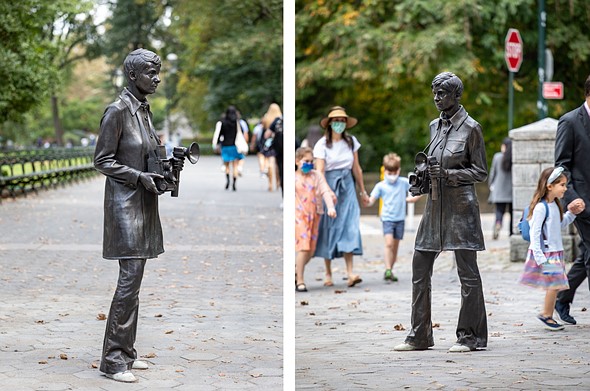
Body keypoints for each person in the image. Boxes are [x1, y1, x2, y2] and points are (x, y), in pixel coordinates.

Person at [94, 49, 184, 383]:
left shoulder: (143, 111)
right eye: (151, 72)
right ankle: (113, 360)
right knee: (129, 281)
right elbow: (102, 160)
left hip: (144, 205)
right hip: (124, 207)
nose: (157, 78)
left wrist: (163, 172)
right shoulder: (117, 111)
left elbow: (146, 154)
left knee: (135, 283)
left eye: (158, 72)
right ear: (133, 76)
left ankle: (126, 352)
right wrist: (138, 177)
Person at [394, 72, 488, 353]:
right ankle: (419, 335)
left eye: (442, 93)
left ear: (456, 96)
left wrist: (448, 174)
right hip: (434, 207)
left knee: (467, 273)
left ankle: (471, 336)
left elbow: (480, 172)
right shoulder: (434, 126)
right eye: (434, 93)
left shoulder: (472, 128)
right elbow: (432, 164)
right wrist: (422, 178)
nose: (436, 98)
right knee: (420, 266)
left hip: (461, 208)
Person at [518, 167, 581, 330]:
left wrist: (571, 213)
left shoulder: (555, 205)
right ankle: (546, 315)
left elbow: (559, 225)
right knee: (554, 284)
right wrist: (539, 256)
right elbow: (535, 232)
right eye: (562, 185)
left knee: (555, 284)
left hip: (556, 252)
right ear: (549, 186)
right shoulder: (541, 208)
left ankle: (547, 314)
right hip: (547, 254)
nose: (565, 189)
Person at [313, 106, 369, 288]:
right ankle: (328, 272)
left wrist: (362, 191)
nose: (340, 124)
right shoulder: (321, 144)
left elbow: (357, 168)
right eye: (336, 121)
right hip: (329, 185)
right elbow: (319, 172)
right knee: (329, 225)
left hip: (348, 185)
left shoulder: (351, 142)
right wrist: (326, 191)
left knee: (350, 225)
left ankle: (350, 272)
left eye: (343, 121)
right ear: (329, 124)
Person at [554, 75, 590, 325]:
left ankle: (562, 298)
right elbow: (561, 167)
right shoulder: (569, 122)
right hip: (584, 203)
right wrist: (573, 199)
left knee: (586, 253)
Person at [364, 153, 421, 282]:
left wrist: (413, 198)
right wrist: (366, 200)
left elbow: (417, 190)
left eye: (394, 172)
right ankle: (388, 268)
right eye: (389, 172)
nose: (392, 175)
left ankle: (390, 269)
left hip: (400, 219)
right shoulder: (381, 186)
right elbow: (371, 199)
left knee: (395, 247)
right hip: (387, 219)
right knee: (389, 244)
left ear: (398, 170)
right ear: (385, 171)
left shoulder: (403, 182)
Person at [295, 147, 337, 292]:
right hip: (299, 217)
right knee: (304, 247)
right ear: (297, 161)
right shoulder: (293, 177)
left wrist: (330, 207)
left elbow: (325, 190)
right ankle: (300, 280)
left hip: (315, 216)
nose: (309, 164)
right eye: (306, 161)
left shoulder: (316, 175)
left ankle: (296, 270)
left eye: (311, 161)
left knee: (311, 251)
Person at [211, 105, 246, 191]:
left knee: (226, 165)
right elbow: (241, 133)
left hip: (226, 146)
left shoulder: (223, 122)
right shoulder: (237, 123)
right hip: (235, 146)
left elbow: (220, 135)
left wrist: (218, 144)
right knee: (235, 165)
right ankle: (234, 183)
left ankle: (227, 181)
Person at [488, 138, 513, 239]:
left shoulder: (497, 157)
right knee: (512, 212)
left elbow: (493, 173)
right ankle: (511, 232)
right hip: (511, 191)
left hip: (499, 189)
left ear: (504, 146)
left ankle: (498, 223)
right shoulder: (514, 158)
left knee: (499, 210)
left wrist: (491, 185)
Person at [261, 103, 282, 192]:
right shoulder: (281, 119)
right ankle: (278, 183)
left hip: (270, 144)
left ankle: (270, 184)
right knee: (278, 165)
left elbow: (265, 134)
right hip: (279, 144)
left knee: (270, 164)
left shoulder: (266, 119)